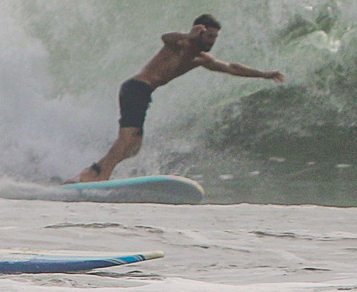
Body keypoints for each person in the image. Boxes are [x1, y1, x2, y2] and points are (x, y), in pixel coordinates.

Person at [68, 14, 284, 183]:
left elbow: (231, 68)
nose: (212, 41)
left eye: (215, 37)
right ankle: (103, 177)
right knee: (126, 138)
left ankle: (92, 172)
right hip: (136, 88)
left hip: (143, 93)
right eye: (209, 35)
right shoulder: (179, 45)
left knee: (133, 148)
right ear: (198, 32)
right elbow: (166, 37)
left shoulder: (200, 58)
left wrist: (264, 74)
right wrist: (188, 35)